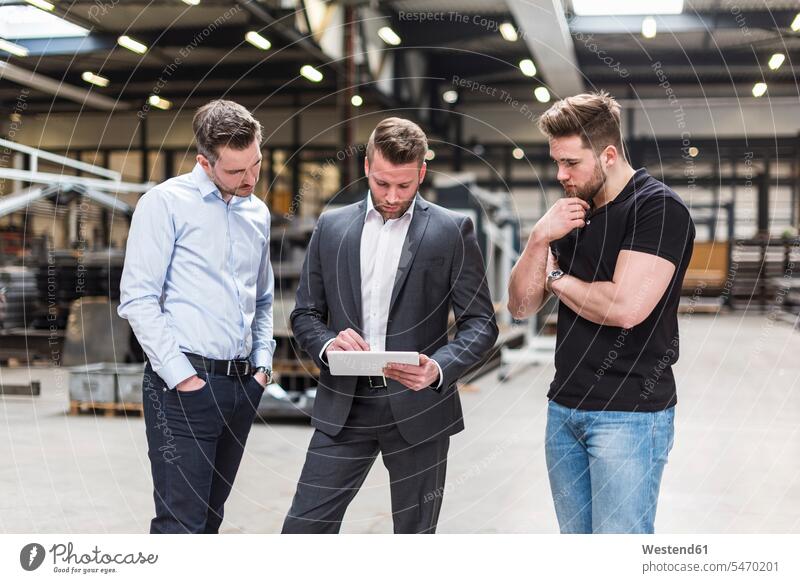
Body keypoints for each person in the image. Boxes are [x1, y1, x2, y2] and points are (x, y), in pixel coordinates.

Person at [282, 117, 498, 534]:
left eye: (404, 185)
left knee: (414, 540)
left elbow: (480, 325)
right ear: (367, 166)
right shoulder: (331, 227)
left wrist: (437, 369)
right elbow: (305, 314)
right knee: (303, 530)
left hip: (420, 407)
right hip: (344, 407)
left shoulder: (451, 230)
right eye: (382, 184)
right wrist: (328, 344)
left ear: (421, 172)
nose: (393, 196)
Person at [507, 91, 695, 534]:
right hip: (564, 408)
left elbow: (626, 306)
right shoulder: (573, 214)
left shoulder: (657, 209)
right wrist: (538, 239)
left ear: (608, 155)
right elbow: (519, 306)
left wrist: (557, 280)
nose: (561, 175)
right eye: (556, 162)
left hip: (629, 414)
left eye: (571, 163)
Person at [118, 99, 275, 534]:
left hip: (243, 386)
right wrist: (183, 379)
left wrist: (262, 364)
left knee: (210, 519)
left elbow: (262, 299)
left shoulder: (257, 213)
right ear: (204, 162)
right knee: (180, 524)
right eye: (235, 171)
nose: (249, 179)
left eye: (256, 164)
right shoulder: (164, 204)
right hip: (182, 390)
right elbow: (138, 298)